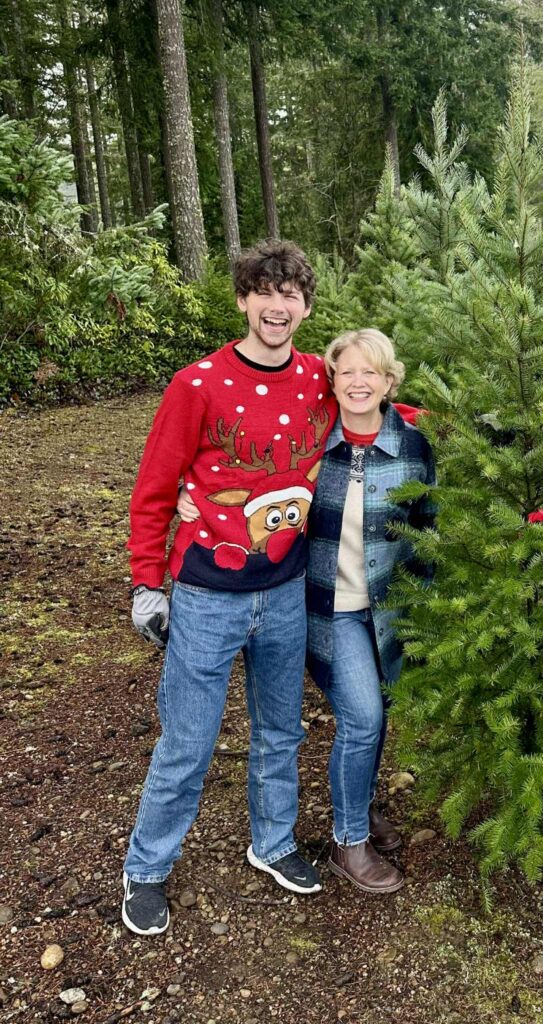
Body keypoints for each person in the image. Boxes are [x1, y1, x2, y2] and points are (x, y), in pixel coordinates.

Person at [122, 240, 334, 936]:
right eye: (266, 293)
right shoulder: (198, 384)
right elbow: (155, 487)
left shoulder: (317, 379)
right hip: (209, 595)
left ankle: (272, 842)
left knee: (281, 729)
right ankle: (146, 868)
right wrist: (149, 584)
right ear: (244, 299)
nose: (279, 307)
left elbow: (375, 410)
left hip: (286, 590)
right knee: (188, 739)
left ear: (306, 305)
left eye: (292, 295)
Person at [304, 328, 435, 894]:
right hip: (330, 608)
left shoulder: (414, 444)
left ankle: (359, 803)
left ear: (388, 381)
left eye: (370, 372)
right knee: (363, 719)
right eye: (347, 372)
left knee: (376, 713)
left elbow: (433, 526)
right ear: (331, 380)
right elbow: (246, 480)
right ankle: (348, 841)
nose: (358, 382)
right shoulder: (310, 443)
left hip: (389, 607)